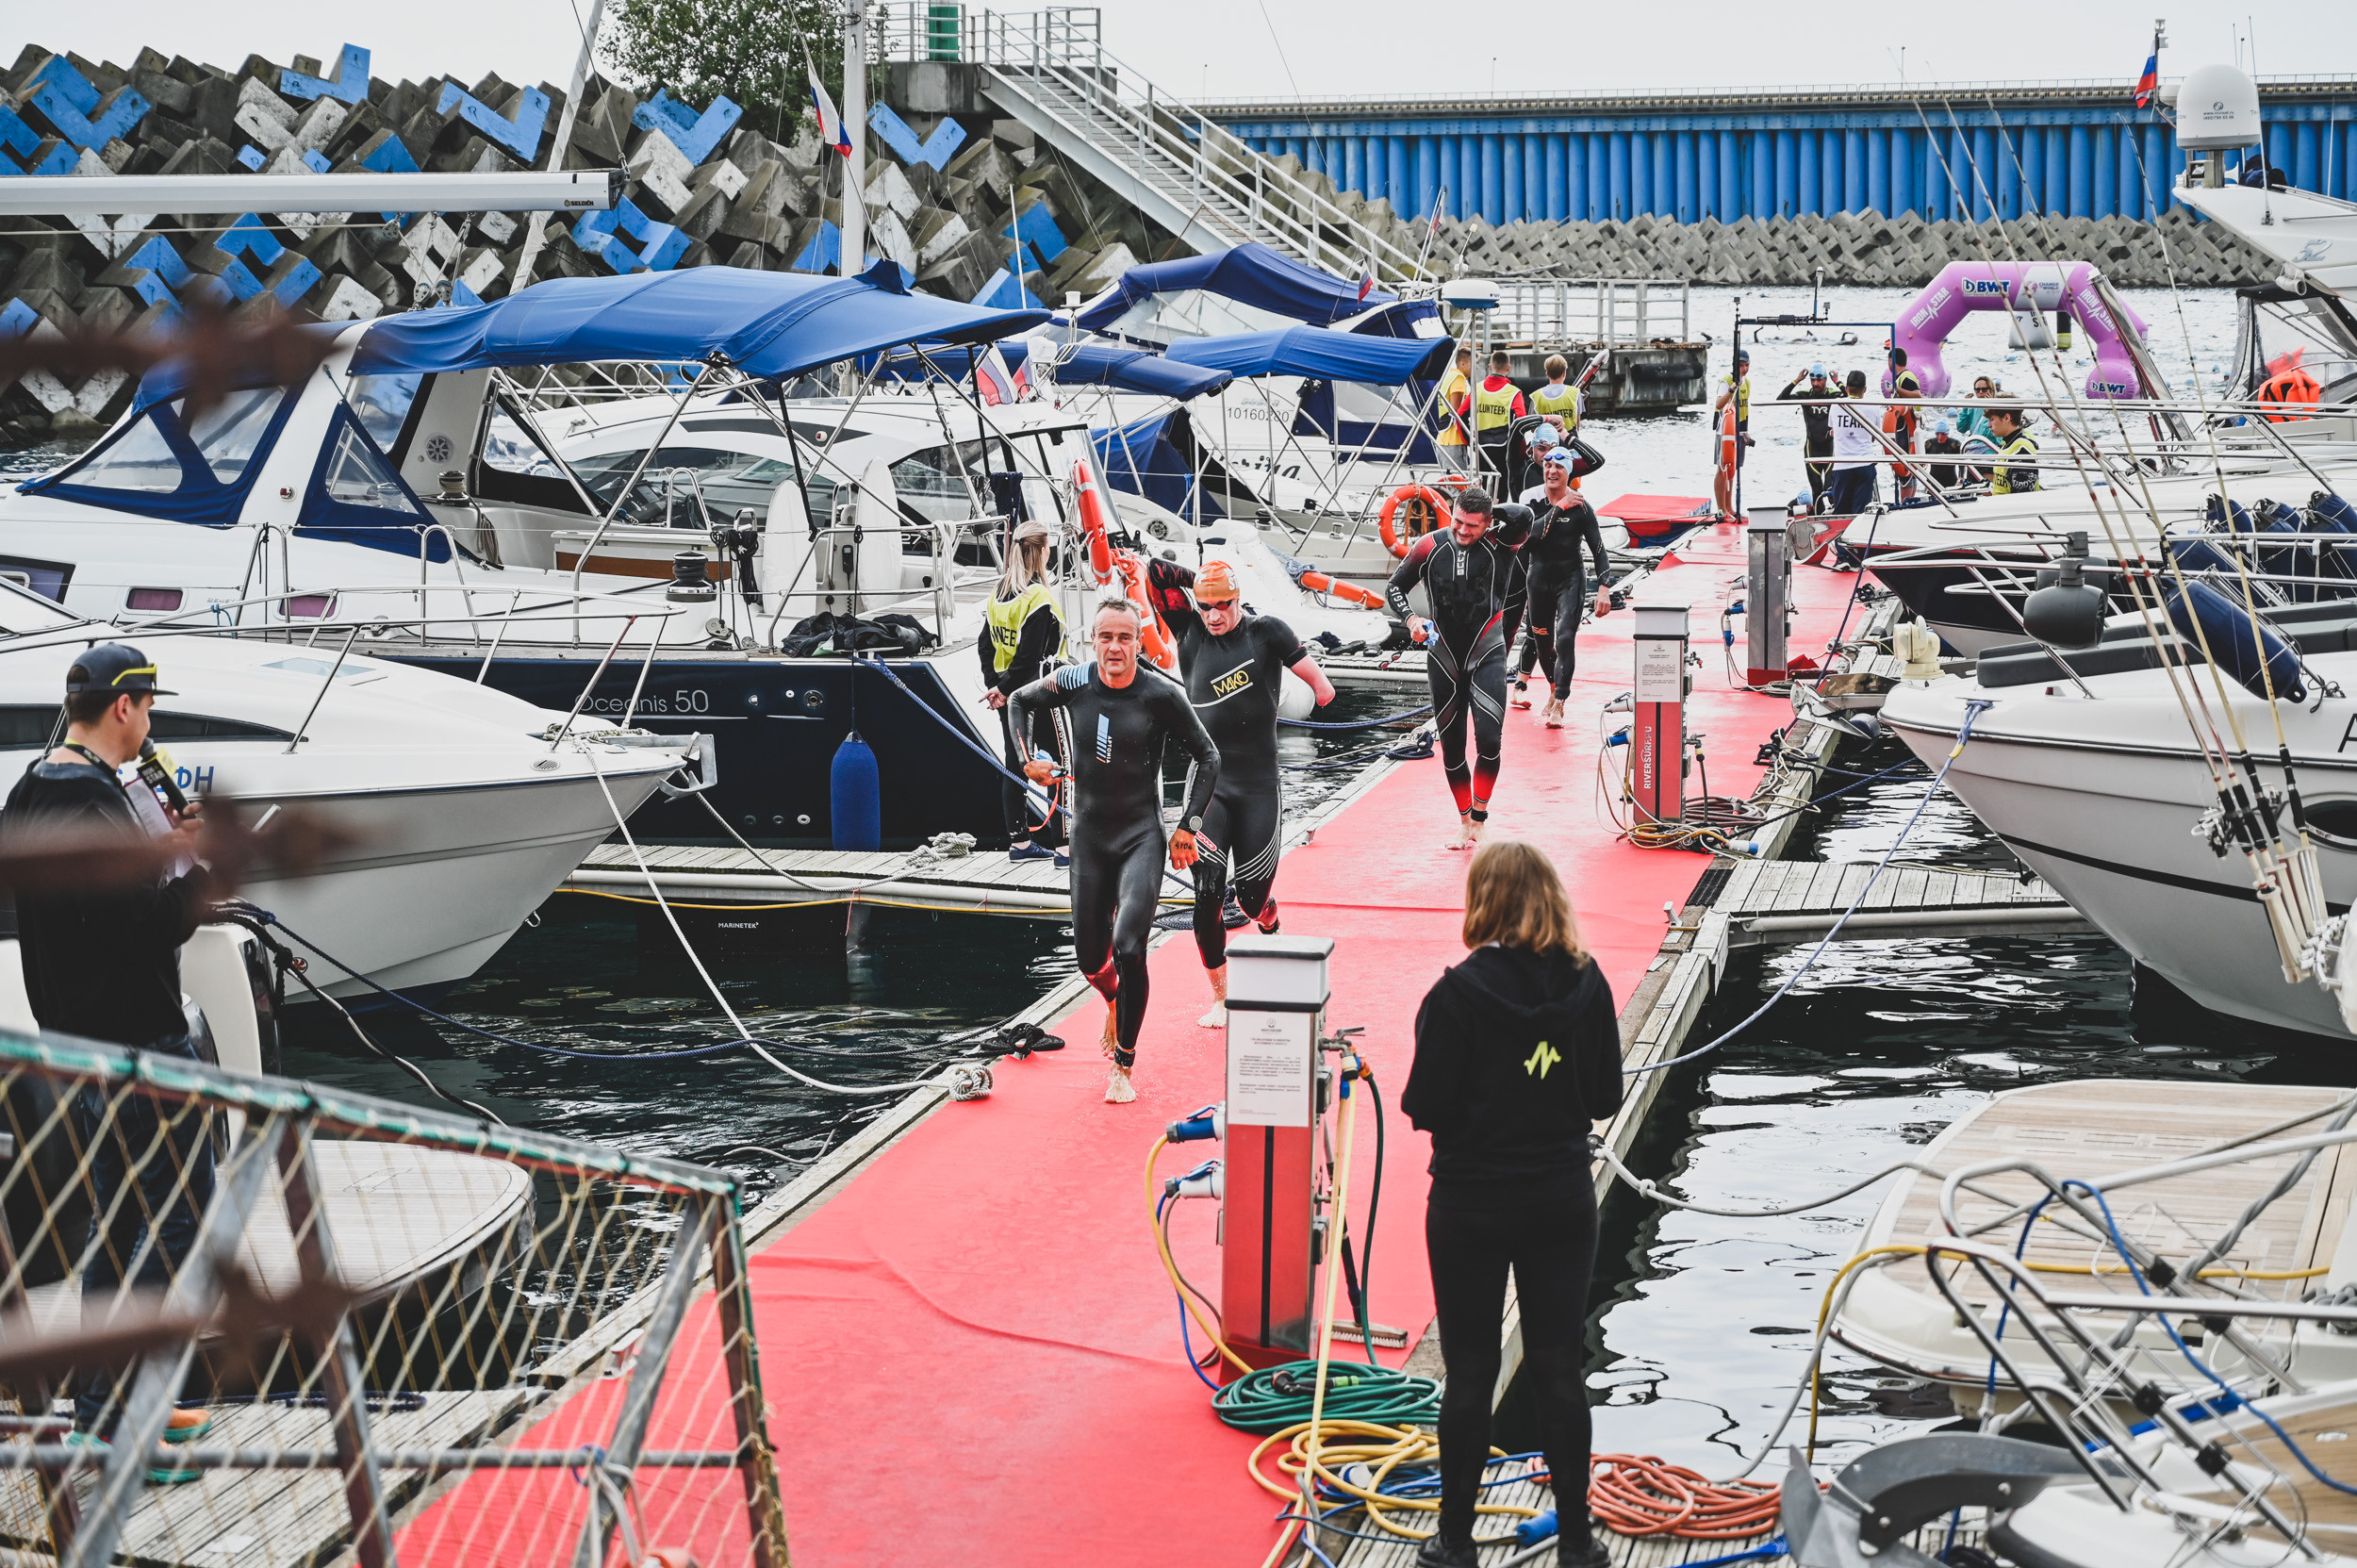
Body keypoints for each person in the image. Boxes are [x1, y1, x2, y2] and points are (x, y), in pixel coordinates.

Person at [4, 645, 215, 1468]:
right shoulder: (96, 803)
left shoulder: (31, 789)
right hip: (139, 1048)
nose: (152, 723)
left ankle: (102, 1413)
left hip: (78, 1045)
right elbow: (151, 926)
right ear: (123, 707)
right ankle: (122, 1423)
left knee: (119, 1222)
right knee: (174, 1223)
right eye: (149, 707)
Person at [1402, 840, 1622, 1568]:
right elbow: (1605, 1098)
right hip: (1559, 1197)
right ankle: (1579, 1540)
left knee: (1469, 1370)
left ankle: (1455, 1541)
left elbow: (1424, 1103)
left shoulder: (1455, 994)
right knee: (1560, 1364)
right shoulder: (1589, 987)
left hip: (1470, 1200)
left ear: (1484, 901)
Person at [1010, 599, 1220, 1102]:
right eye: (1106, 637)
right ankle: (1115, 1003)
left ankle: (1123, 1063)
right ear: (1094, 641)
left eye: (1126, 638)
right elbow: (1018, 700)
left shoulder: (1161, 693)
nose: (1115, 648)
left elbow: (1209, 756)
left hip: (1141, 836)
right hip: (1089, 837)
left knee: (1129, 946)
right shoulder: (1072, 681)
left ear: (1135, 643)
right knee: (1090, 960)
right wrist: (1026, 763)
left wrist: (1188, 826)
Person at [1139, 559, 1336, 1027]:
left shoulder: (1266, 632)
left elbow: (1321, 688)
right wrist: (1201, 578)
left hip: (1259, 788)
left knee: (1247, 902)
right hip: (1209, 788)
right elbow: (1155, 574)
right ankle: (1222, 998)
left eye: (1222, 605)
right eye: (1205, 606)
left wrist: (1315, 684)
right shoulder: (1187, 630)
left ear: (1236, 599)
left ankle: (1266, 912)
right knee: (1206, 895)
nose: (1212, 615)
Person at [1387, 488, 1533, 850]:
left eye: (1472, 524)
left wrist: (1489, 508)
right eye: (1457, 521)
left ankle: (1481, 821)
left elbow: (1524, 516)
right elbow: (1395, 588)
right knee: (1452, 749)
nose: (1462, 530)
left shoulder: (1503, 544)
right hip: (1444, 655)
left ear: (1488, 524)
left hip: (1488, 653)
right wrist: (1410, 619)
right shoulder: (1429, 545)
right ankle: (1464, 821)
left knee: (1489, 741)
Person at [979, 520, 1065, 865]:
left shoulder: (999, 593)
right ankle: (1064, 847)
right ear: (1042, 551)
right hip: (1041, 692)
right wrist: (1002, 687)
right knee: (1060, 762)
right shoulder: (1037, 597)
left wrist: (995, 687)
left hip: (1008, 696)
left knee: (1015, 764)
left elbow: (985, 645)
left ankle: (1020, 842)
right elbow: (1030, 657)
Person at [1508, 449, 1610, 729]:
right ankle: (1553, 690)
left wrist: (1604, 587)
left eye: (1559, 467)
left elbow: (1599, 550)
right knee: (1542, 643)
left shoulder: (1582, 507)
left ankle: (1561, 702)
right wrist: (1558, 508)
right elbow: (1530, 539)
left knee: (1565, 636)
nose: (1552, 471)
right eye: (1548, 466)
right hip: (1538, 580)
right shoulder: (1532, 504)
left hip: (1570, 579)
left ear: (1569, 473)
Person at [1777, 362, 1835, 511]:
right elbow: (1780, 399)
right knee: (1817, 490)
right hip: (1812, 448)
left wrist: (1839, 382)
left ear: (1825, 380)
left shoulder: (1833, 396)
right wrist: (1796, 381)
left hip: (1830, 448)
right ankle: (1818, 523)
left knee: (1830, 491)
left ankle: (1837, 517)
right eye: (1813, 380)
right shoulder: (1805, 396)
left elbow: (1852, 398)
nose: (1816, 384)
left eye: (1819, 380)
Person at [1825, 370, 1879, 516]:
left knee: (1841, 513)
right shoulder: (1873, 406)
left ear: (1847, 388)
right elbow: (1875, 436)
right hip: (1864, 464)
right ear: (1865, 390)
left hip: (1842, 465)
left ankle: (1842, 538)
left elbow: (1833, 429)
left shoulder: (1836, 405)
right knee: (1861, 514)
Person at [1710, 348, 1752, 520]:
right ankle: (1721, 508)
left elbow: (1745, 409)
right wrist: (1731, 389)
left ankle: (1729, 507)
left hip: (1738, 431)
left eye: (1746, 365)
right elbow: (1719, 404)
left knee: (1733, 469)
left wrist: (1745, 432)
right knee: (1723, 468)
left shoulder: (1747, 383)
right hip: (1724, 431)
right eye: (1741, 365)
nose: (1744, 368)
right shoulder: (1726, 381)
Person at [1472, 350, 1527, 478]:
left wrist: (1469, 439)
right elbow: (1522, 420)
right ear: (1508, 368)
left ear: (1490, 367)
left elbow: (1461, 414)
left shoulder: (1477, 388)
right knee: (1501, 484)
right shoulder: (1514, 392)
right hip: (1503, 446)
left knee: (1483, 483)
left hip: (1481, 445)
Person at [1883, 352, 1921, 504]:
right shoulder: (1903, 377)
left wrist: (1897, 390)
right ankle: (1909, 501)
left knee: (1905, 470)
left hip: (1904, 428)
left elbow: (1918, 396)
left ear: (1892, 360)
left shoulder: (1906, 377)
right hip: (1905, 427)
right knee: (1908, 469)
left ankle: (1906, 503)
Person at [1437, 346, 1475, 471]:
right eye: (1473, 363)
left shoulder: (1450, 376)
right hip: (1453, 440)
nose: (1476, 367)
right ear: (1463, 364)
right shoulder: (1458, 378)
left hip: (1444, 438)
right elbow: (1457, 411)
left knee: (1449, 484)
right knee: (1458, 486)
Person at [1988, 406, 2039, 496]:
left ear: (2007, 418)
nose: (1989, 425)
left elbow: (2023, 497)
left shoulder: (2021, 449)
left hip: (2010, 508)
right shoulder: (2007, 445)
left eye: (1992, 419)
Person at [1530, 353, 1582, 436]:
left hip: (1546, 442)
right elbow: (1577, 424)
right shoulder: (1575, 393)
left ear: (1547, 374)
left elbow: (1532, 428)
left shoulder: (1536, 396)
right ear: (1564, 373)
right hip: (1569, 441)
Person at [1921, 416, 1964, 491]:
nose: (1940, 437)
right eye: (1937, 434)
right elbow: (1919, 459)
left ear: (1947, 433)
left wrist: (1961, 478)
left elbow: (1962, 463)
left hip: (1951, 481)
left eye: (1943, 434)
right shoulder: (1929, 444)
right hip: (1932, 482)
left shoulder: (1955, 444)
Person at [1953, 375, 1998, 441]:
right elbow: (1961, 428)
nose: (1980, 392)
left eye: (1984, 389)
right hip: (1974, 446)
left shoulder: (1998, 407)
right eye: (1977, 390)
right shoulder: (1973, 408)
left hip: (1991, 447)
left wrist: (1990, 409)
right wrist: (1965, 408)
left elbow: (1990, 432)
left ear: (1991, 390)